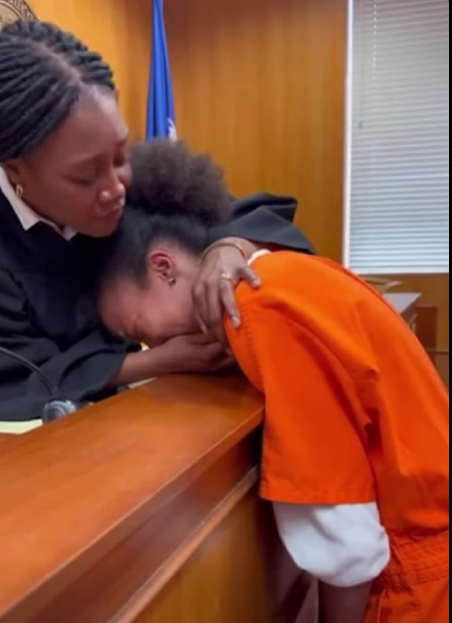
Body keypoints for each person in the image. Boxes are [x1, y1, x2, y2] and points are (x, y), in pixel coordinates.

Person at [98, 140, 449, 623]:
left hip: (418, 584)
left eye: (140, 329)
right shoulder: (280, 272)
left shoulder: (262, 311)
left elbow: (344, 543)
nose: (155, 346)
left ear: (164, 268)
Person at [0, 21, 314, 421]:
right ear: (15, 170)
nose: (116, 188)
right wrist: (157, 361)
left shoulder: (126, 184)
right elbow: (19, 376)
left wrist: (230, 247)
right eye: (86, 177)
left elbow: (244, 215)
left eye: (120, 156)